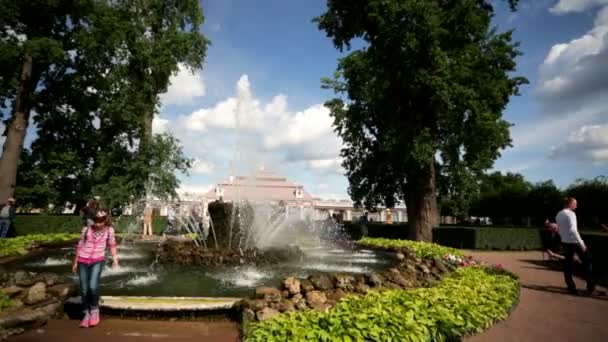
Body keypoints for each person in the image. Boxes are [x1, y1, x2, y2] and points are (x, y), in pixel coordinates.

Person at [72, 209, 118, 328]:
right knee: (84, 289)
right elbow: (80, 245)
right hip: (83, 259)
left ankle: (94, 309)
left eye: (101, 220)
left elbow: (112, 244)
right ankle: (86, 313)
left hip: (98, 260)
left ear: (105, 220)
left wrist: (115, 258)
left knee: (92, 287)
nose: (99, 223)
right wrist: (75, 262)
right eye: (97, 220)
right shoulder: (86, 229)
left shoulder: (109, 231)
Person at [555, 197, 596, 296]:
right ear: (569, 204)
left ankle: (571, 287)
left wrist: (563, 238)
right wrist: (582, 244)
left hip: (565, 242)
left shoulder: (559, 214)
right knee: (587, 262)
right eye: (575, 204)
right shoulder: (571, 213)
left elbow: (559, 230)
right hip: (574, 242)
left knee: (568, 265)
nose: (576, 206)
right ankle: (591, 287)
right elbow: (573, 230)